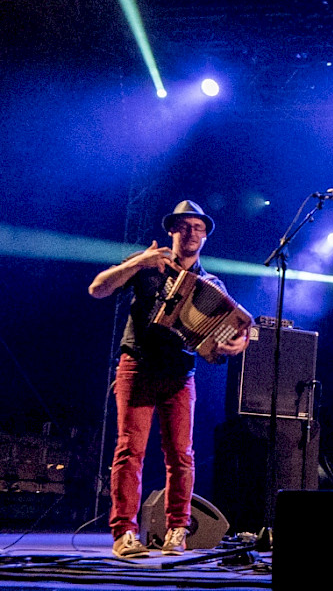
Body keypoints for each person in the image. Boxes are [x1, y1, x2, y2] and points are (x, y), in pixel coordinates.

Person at [89, 200, 248, 559]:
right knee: (130, 450)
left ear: (205, 236)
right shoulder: (147, 264)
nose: (191, 233)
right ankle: (124, 533)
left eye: (197, 227)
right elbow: (97, 288)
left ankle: (178, 530)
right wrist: (136, 262)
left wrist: (235, 344)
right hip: (138, 365)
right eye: (184, 226)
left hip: (179, 374)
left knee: (181, 455)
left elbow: (225, 339)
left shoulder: (213, 284)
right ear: (172, 231)